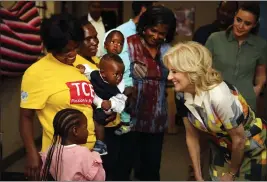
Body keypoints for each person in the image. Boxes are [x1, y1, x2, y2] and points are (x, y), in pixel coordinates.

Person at [164, 41, 267, 181]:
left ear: (191, 70)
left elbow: (239, 139)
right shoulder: (181, 94)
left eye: (174, 71)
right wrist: (198, 175)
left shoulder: (219, 95)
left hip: (251, 146)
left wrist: (231, 174)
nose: (169, 77)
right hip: (222, 146)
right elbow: (192, 136)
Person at [19, 14, 100, 180]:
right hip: (59, 159)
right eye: (65, 52)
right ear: (52, 49)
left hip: (89, 154)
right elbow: (26, 117)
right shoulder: (37, 73)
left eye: (75, 48)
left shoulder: (85, 66)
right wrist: (32, 153)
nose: (72, 55)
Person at [117, 6, 176, 181]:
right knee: (123, 169)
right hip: (130, 120)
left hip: (155, 121)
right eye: (153, 30)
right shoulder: (129, 44)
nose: (156, 36)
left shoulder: (167, 50)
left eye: (162, 33)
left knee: (150, 171)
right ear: (144, 26)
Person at [205, 2, 267, 111]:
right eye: (238, 20)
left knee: (245, 128)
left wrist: (257, 89)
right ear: (234, 16)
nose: (241, 26)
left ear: (254, 25)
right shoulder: (214, 39)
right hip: (216, 101)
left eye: (247, 23)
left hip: (247, 103)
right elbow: (203, 69)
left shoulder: (260, 45)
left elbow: (261, 73)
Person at [76, 53, 126, 155]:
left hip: (104, 106)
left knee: (98, 120)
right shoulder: (96, 74)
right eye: (116, 74)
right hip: (94, 100)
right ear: (103, 73)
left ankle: (101, 144)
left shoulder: (119, 86)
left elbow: (121, 102)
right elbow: (89, 71)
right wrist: (83, 69)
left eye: (122, 74)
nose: (119, 77)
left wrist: (111, 104)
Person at [40, 108, 105, 181]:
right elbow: (99, 178)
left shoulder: (50, 151)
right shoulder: (83, 153)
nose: (88, 132)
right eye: (85, 127)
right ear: (75, 131)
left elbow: (44, 173)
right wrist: (95, 155)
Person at [100, 30, 133, 135]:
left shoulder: (123, 58)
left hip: (126, 85)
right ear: (105, 45)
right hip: (116, 84)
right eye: (113, 42)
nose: (116, 45)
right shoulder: (104, 58)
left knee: (123, 102)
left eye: (120, 44)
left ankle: (126, 124)